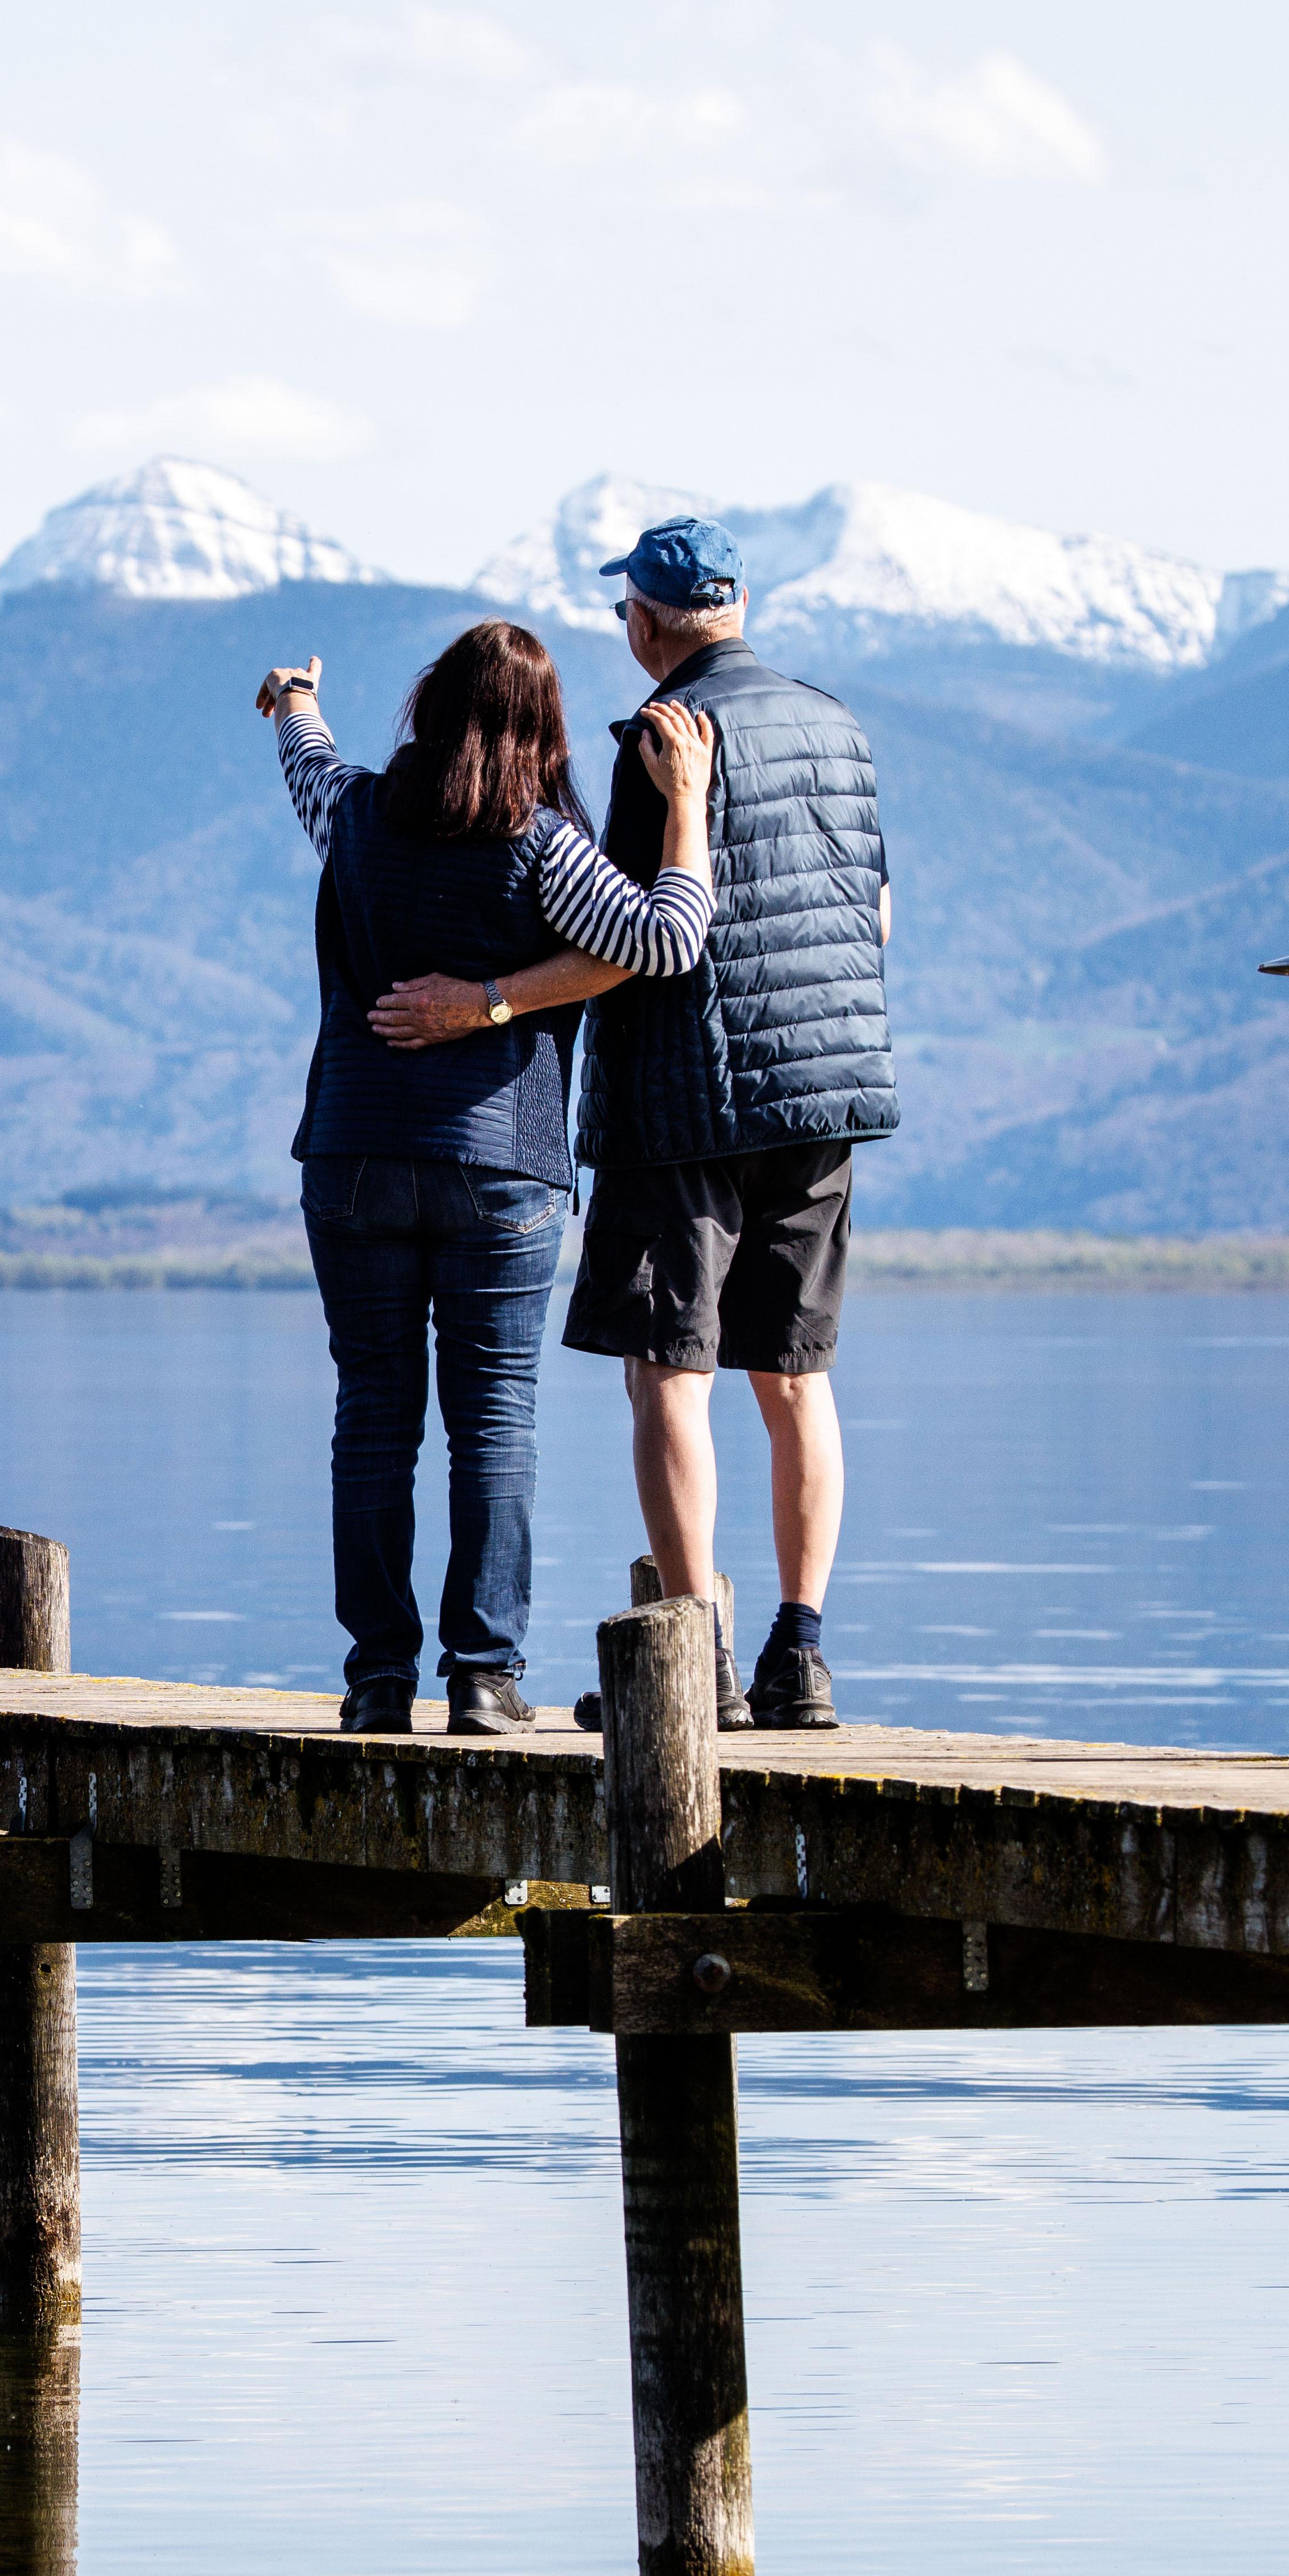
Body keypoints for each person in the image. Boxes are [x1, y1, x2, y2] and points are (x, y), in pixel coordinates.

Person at [370, 516, 894, 1732]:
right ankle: (800, 1656)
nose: (623, 633)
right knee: (796, 1376)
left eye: (624, 615)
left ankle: (693, 1659)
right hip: (824, 1094)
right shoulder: (842, 730)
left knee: (673, 1374)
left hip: (682, 1097)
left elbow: (630, 944)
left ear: (651, 622)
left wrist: (484, 1002)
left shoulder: (656, 740)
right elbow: (873, 916)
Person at [261, 623, 715, 1734]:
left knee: (373, 1416)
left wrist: (293, 700)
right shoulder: (545, 847)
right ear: (541, 730)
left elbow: (307, 764)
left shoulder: (356, 818)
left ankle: (377, 1680)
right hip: (499, 1166)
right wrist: (688, 804)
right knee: (493, 1423)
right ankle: (481, 1674)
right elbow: (668, 938)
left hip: (354, 1155)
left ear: (430, 709)